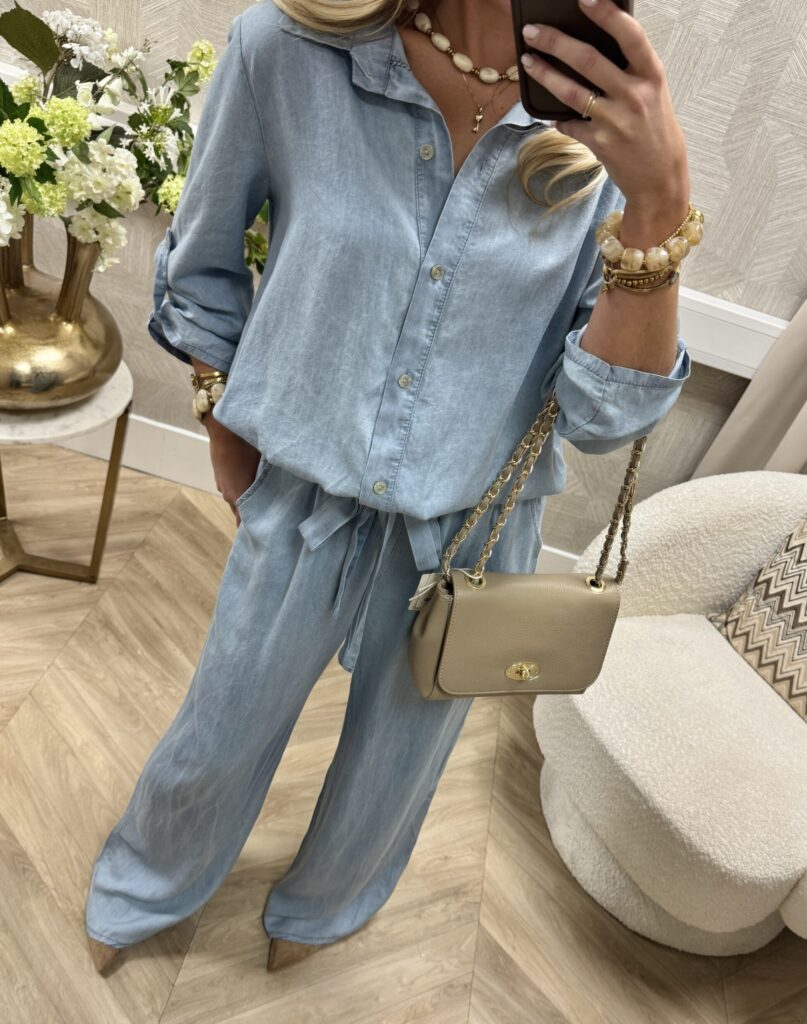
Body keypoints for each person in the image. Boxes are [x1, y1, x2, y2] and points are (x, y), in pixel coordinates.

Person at [85, 0, 694, 975]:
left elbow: (604, 412)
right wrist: (225, 429)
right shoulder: (288, 52)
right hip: (303, 500)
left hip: (478, 533)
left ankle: (322, 909)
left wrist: (658, 204)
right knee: (220, 727)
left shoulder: (605, 128)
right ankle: (145, 882)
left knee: (395, 767)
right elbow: (200, 266)